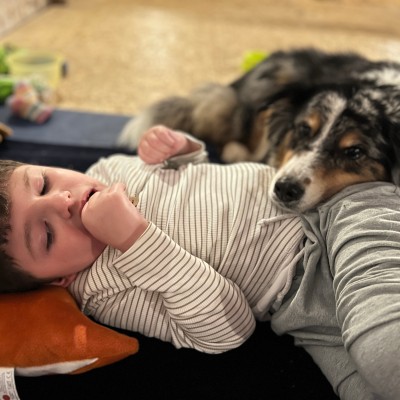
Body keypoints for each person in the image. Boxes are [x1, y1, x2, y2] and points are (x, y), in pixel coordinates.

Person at [1, 125, 400, 399]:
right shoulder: (102, 293)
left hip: (325, 207)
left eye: (44, 184)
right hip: (302, 299)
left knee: (381, 351)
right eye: (47, 235)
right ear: (59, 279)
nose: (63, 202)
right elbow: (227, 331)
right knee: (363, 385)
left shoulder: (107, 169)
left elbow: (200, 170)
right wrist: (135, 241)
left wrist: (181, 148)